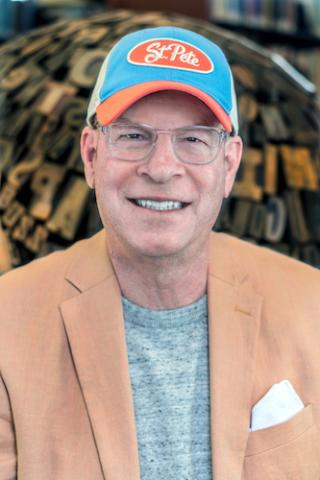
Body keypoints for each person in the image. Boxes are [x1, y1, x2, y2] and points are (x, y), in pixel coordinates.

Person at [0, 25, 319, 480]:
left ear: (229, 166)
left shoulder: (313, 306)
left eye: (193, 139)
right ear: (91, 156)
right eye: (133, 136)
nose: (162, 168)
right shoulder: (5, 323)